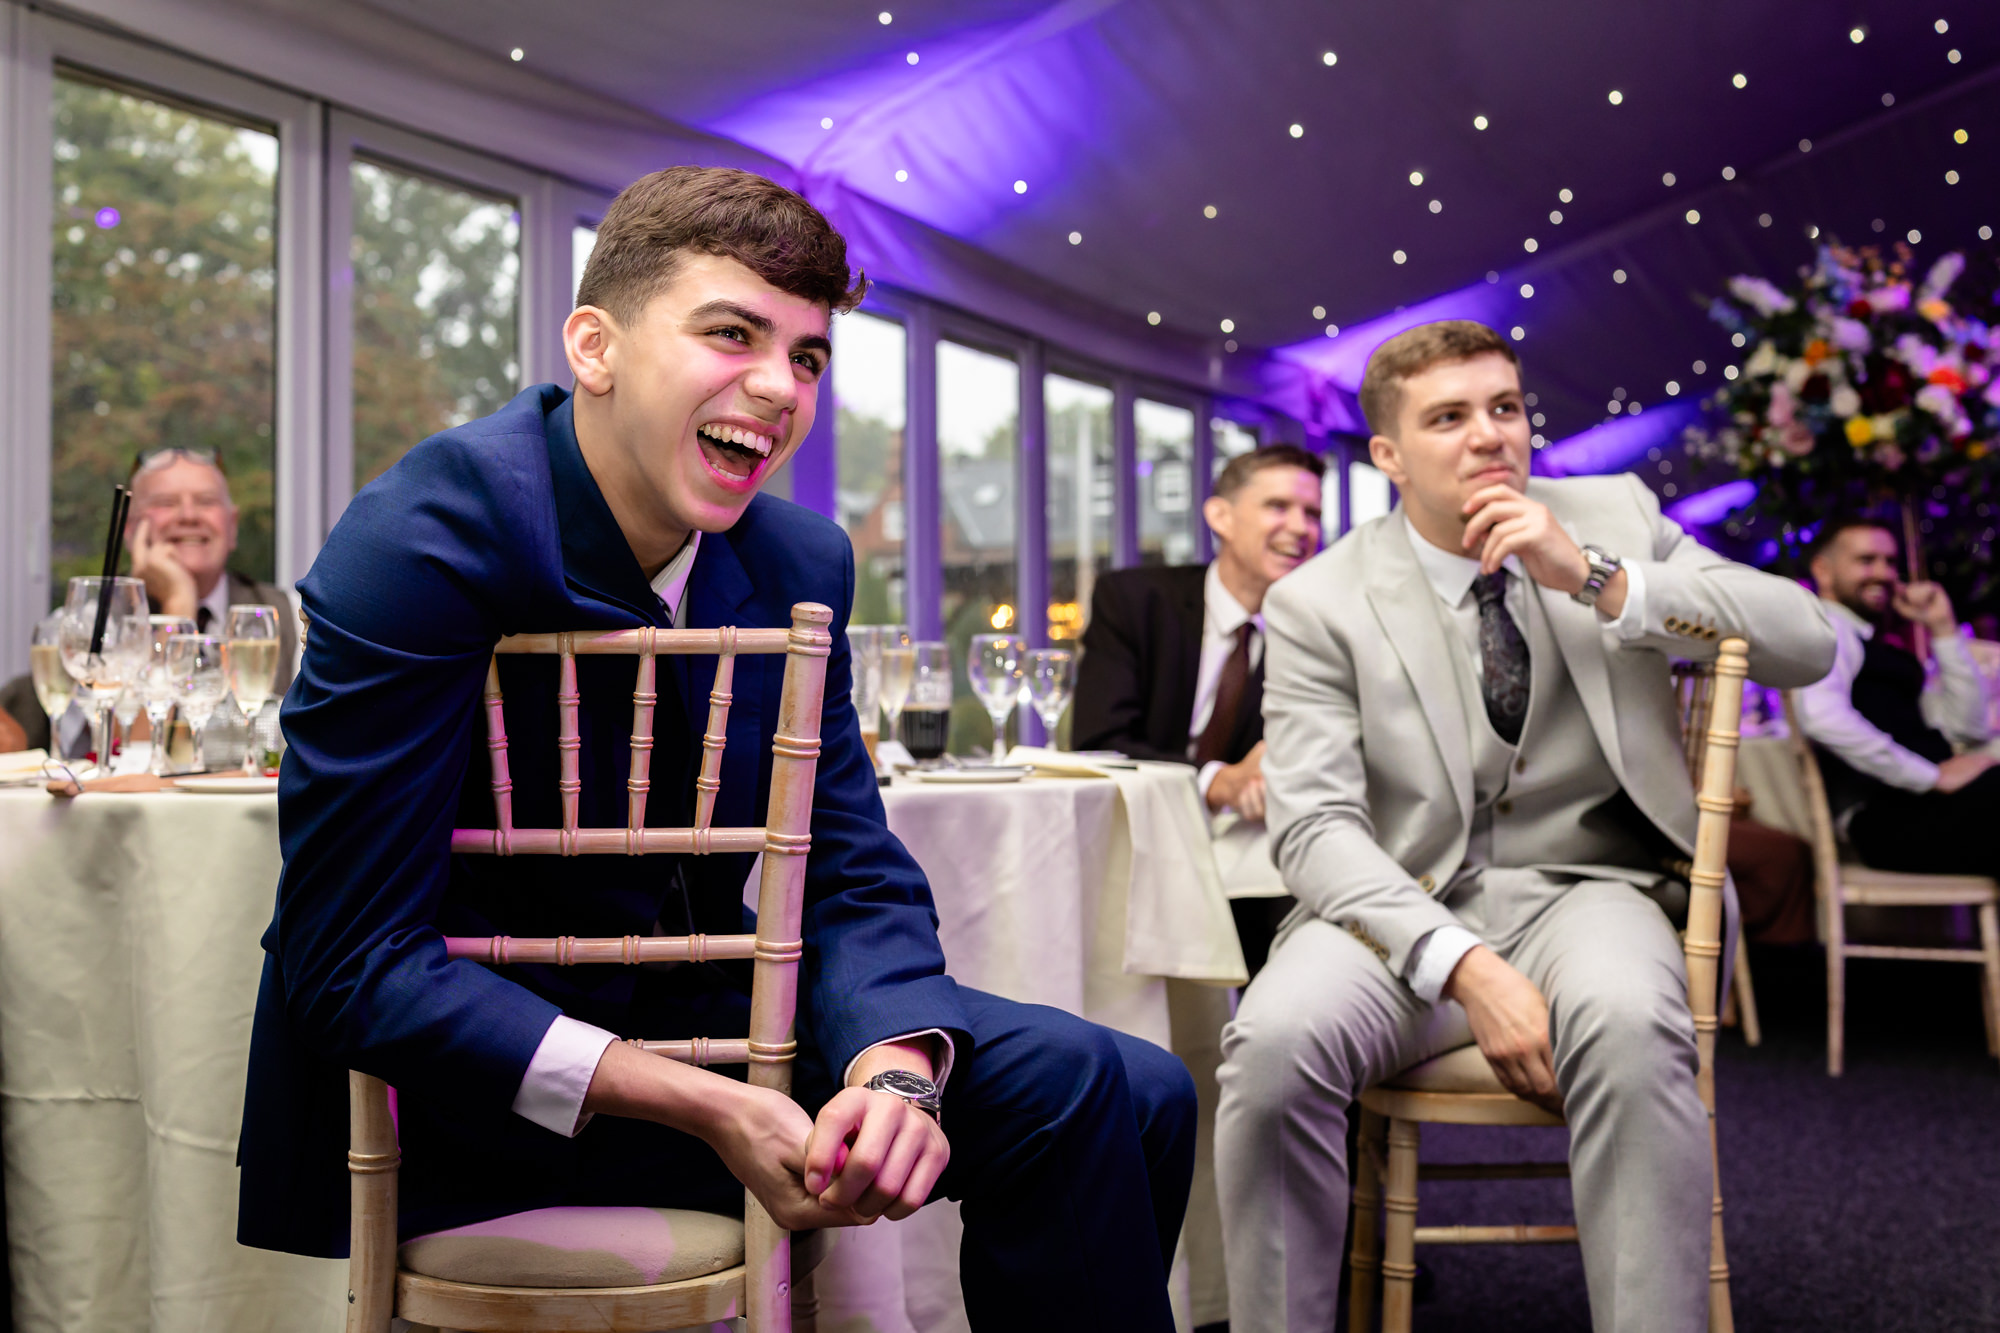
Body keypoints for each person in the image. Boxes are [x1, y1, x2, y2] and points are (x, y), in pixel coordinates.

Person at [236, 166, 1195, 1330]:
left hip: (735, 1035)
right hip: (489, 1090)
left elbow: (847, 864)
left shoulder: (799, 561)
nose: (777, 388)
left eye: (804, 356)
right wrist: (704, 1104)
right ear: (594, 347)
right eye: (729, 333)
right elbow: (348, 960)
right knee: (1094, 1090)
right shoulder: (426, 534)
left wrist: (892, 1066)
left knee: (1127, 1085)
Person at [1214, 319, 1836, 1332]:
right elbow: (1315, 828)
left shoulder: (1612, 514)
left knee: (1636, 1026)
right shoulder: (1316, 600)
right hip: (1397, 910)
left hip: (1595, 890)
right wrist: (1467, 967)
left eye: (1502, 407)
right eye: (1448, 417)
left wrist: (1593, 575)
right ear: (1385, 455)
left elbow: (1804, 641)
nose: (1488, 436)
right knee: (1270, 1044)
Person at [1071, 444, 1324, 973]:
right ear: (1220, 517)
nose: (1300, 527)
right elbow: (1100, 743)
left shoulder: (1318, 630)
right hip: (1136, 838)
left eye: (1313, 513)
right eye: (1278, 507)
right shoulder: (1135, 600)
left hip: (1253, 848)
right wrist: (1216, 782)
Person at [1, 449, 295, 755]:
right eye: (165, 503)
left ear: (232, 526)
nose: (189, 515)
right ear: (129, 529)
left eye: (206, 501)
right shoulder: (86, 621)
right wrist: (179, 605)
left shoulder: (287, 611)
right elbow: (128, 753)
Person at [1795, 517, 1998, 876]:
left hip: (1926, 808)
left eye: (1890, 562)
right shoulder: (1827, 627)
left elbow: (1969, 729)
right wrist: (1930, 777)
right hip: (1885, 817)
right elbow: (1821, 717)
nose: (1884, 573)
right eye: (1866, 560)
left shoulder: (1871, 641)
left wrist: (1942, 628)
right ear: (1823, 571)